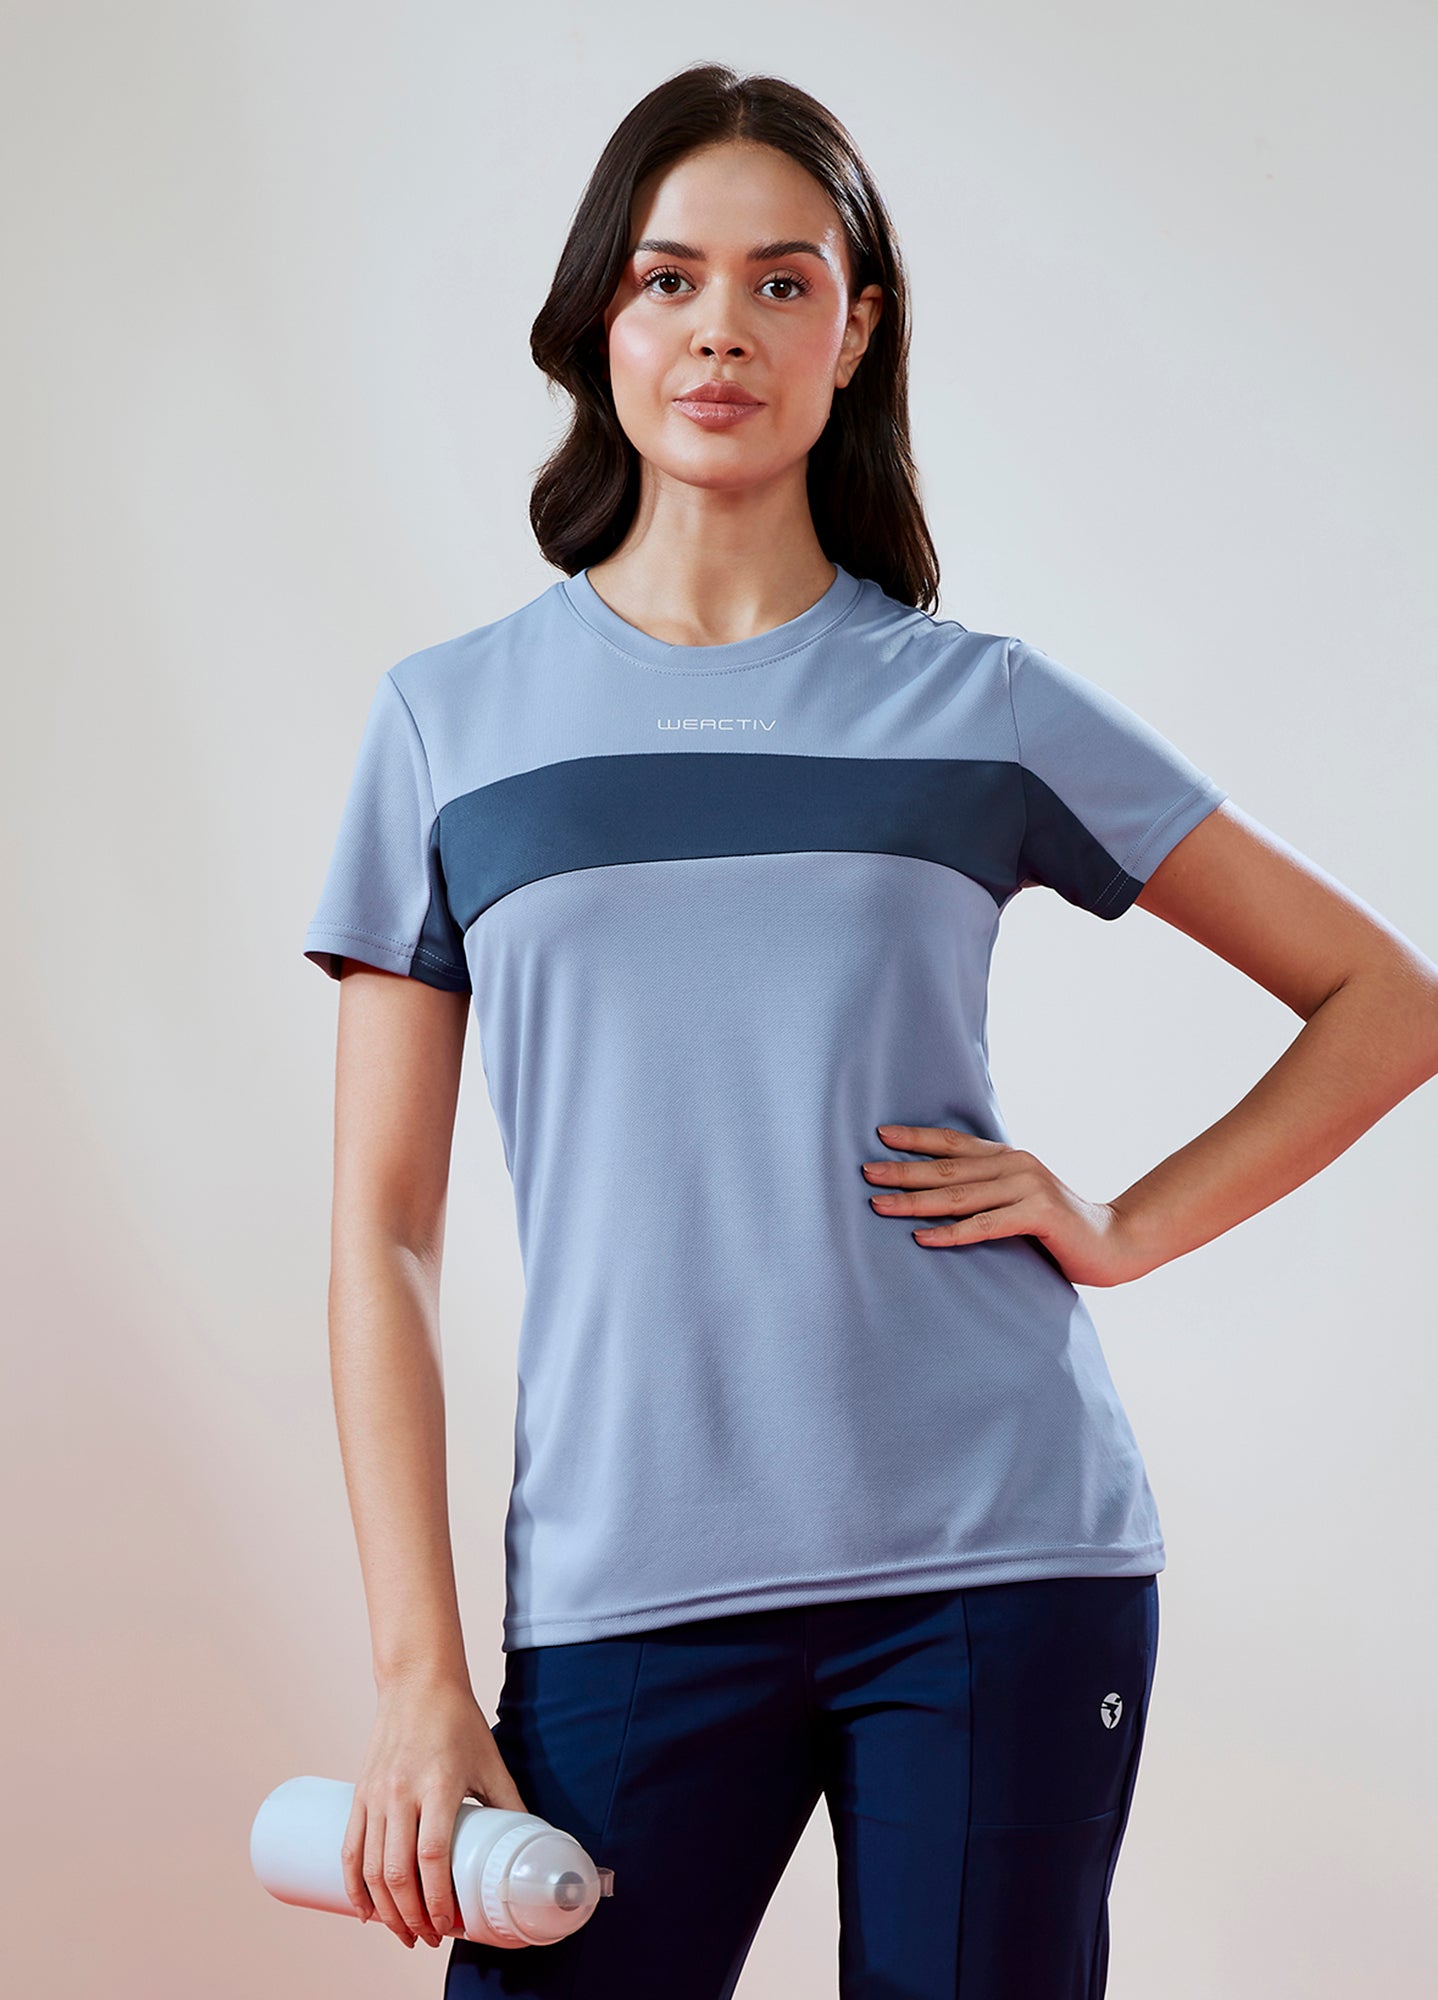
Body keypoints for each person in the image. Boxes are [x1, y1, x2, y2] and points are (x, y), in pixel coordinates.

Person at [299, 62, 1438, 2000]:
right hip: (625, 1581)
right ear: (597, 320)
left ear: (855, 329)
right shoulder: (446, 725)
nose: (719, 330)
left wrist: (1121, 1224)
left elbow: (1383, 1001)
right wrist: (419, 1677)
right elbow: (380, 1234)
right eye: (667, 279)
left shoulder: (974, 704)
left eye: (781, 281)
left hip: (1001, 1563)